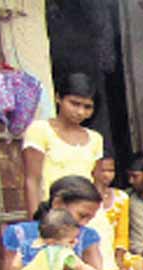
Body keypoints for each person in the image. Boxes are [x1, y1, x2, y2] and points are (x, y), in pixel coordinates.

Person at [22, 72, 104, 216]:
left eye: (87, 107)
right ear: (58, 98)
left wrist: (96, 214)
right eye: (74, 103)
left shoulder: (95, 138)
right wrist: (34, 224)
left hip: (88, 217)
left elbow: (97, 183)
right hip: (54, 216)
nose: (80, 112)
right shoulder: (40, 130)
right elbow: (32, 181)